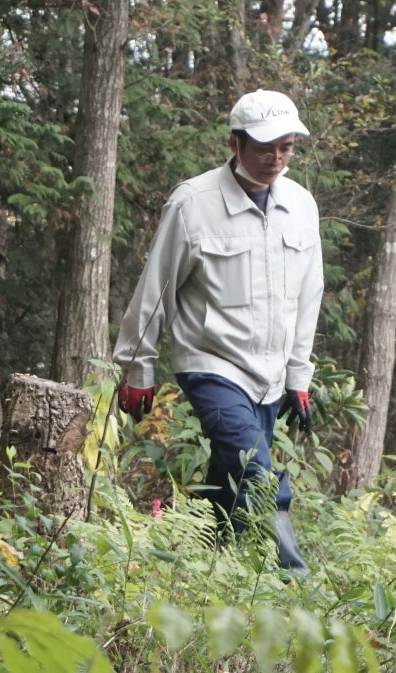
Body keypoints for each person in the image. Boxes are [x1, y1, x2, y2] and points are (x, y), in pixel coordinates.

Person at [112, 90, 324, 575]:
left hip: (270, 373)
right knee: (258, 469)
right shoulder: (194, 203)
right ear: (235, 142)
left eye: (287, 147)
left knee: (230, 475)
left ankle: (207, 565)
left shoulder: (301, 205)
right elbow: (155, 289)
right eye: (265, 146)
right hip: (211, 362)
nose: (276, 158)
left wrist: (298, 375)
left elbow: (309, 294)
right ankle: (292, 579)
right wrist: (136, 368)